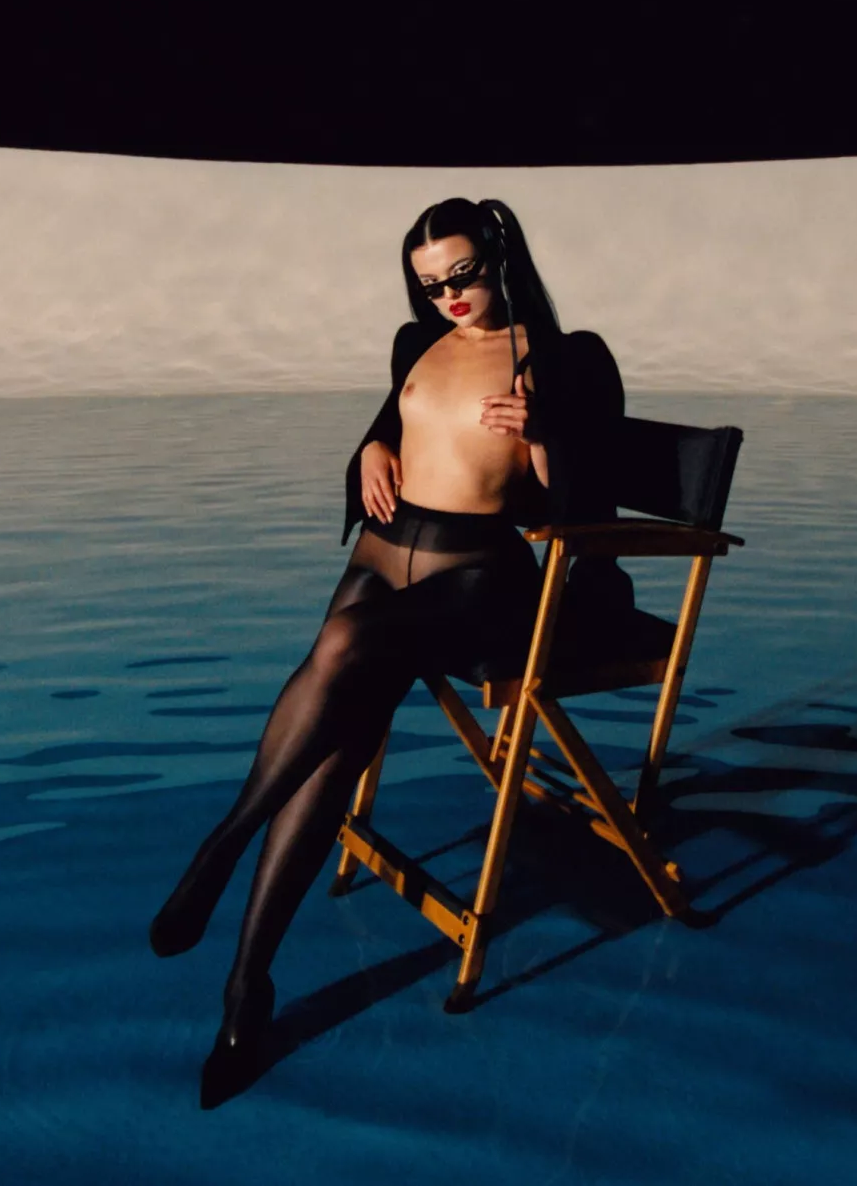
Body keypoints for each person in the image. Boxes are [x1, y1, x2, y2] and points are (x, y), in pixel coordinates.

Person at [148, 196, 633, 1106]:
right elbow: (394, 427)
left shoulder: (565, 356)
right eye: (430, 284)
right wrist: (371, 448)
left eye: (462, 274)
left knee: (343, 646)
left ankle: (224, 842)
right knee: (336, 739)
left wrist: (541, 436)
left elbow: (580, 507)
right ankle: (247, 987)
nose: (449, 296)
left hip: (477, 575)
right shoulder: (417, 345)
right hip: (381, 555)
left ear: (499, 257)